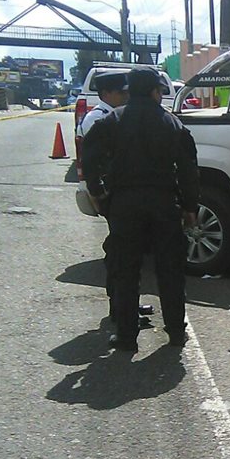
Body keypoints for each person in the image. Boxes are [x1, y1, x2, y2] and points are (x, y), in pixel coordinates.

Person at [83, 67, 199, 352]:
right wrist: (189, 206)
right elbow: (188, 169)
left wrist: (98, 193)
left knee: (126, 270)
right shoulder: (172, 124)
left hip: (124, 204)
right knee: (170, 270)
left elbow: (89, 157)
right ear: (155, 91)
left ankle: (126, 336)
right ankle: (175, 331)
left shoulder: (112, 120)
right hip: (163, 204)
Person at [79, 71, 153, 328]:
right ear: (105, 94)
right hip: (111, 193)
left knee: (129, 251)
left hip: (120, 192)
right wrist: (99, 193)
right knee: (121, 254)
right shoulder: (97, 119)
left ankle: (127, 304)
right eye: (121, 92)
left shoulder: (116, 117)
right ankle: (120, 308)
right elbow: (94, 161)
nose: (126, 96)